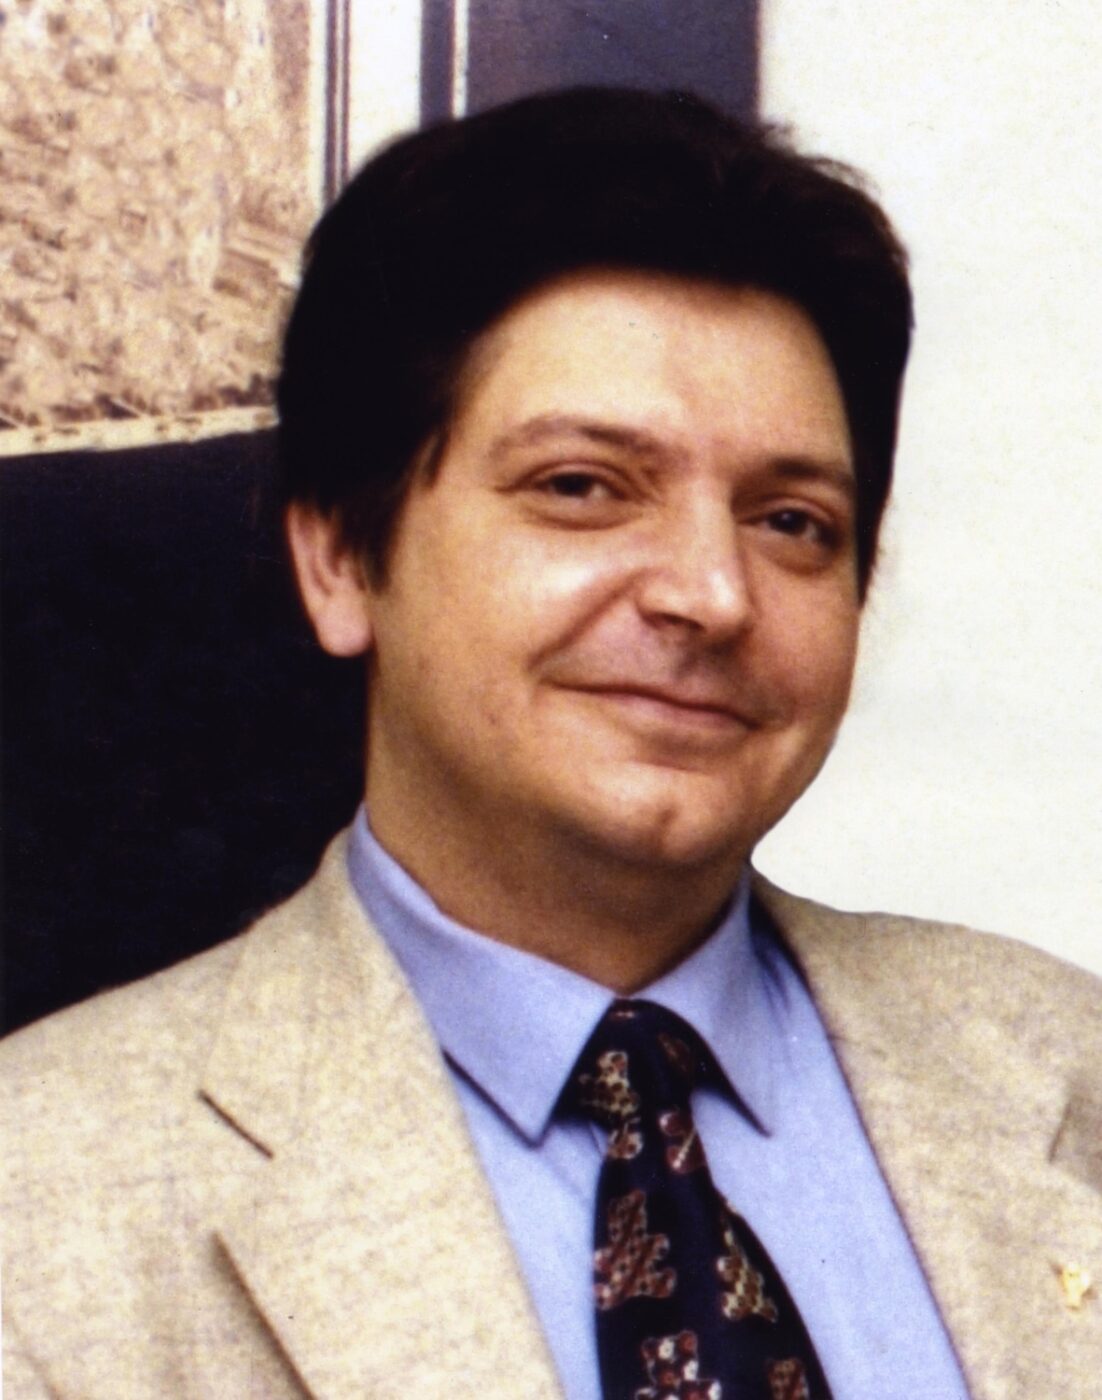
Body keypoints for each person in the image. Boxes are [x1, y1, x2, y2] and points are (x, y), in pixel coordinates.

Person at [2, 87, 1099, 1400]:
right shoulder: (41, 1201)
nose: (712, 594)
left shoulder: (1062, 1065)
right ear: (340, 556)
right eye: (582, 488)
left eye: (791, 521)